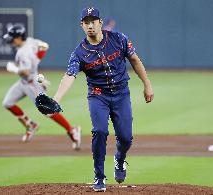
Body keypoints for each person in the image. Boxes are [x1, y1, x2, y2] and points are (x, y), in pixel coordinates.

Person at [53, 7, 154, 191]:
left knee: (125, 138)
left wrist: (147, 84)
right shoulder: (79, 52)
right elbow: (70, 75)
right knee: (99, 131)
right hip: (98, 96)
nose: (90, 25)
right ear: (81, 25)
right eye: (86, 22)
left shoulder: (118, 39)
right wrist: (57, 98)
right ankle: (99, 176)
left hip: (122, 94)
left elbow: (135, 60)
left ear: (100, 22)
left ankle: (120, 159)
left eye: (93, 21)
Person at [2, 25, 81, 150]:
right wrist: (37, 59)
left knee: (48, 112)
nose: (10, 41)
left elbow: (26, 72)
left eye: (12, 38)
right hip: (25, 82)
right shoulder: (30, 41)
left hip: (33, 83)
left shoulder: (24, 53)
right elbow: (44, 46)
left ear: (18, 38)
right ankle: (30, 125)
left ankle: (72, 130)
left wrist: (14, 69)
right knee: (8, 103)